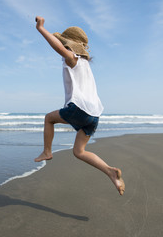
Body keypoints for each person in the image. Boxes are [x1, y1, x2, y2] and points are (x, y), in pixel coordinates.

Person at [34, 16, 125, 196]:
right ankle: (111, 172)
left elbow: (58, 48)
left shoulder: (73, 59)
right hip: (94, 115)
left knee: (48, 118)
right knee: (79, 151)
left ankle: (47, 151)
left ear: (70, 46)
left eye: (66, 45)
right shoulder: (85, 65)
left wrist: (41, 28)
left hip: (80, 109)